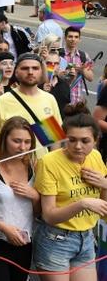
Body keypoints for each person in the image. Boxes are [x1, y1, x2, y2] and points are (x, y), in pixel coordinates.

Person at [33, 107, 107, 281]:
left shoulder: (95, 157)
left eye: (85, 141)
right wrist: (83, 203)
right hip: (56, 239)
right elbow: (49, 215)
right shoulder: (49, 162)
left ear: (96, 140)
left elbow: (103, 207)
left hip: (87, 237)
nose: (78, 146)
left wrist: (105, 184)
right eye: (72, 140)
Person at [0, 117, 39, 281]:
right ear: (4, 139)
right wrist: (3, 227)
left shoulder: (35, 167)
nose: (23, 147)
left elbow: (39, 213)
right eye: (17, 141)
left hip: (25, 243)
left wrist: (35, 197)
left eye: (27, 142)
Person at [0, 53, 62, 158]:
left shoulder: (49, 99)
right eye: (25, 68)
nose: (30, 72)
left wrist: (52, 165)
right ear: (16, 72)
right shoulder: (3, 101)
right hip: (11, 169)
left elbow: (54, 139)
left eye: (35, 68)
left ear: (41, 72)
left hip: (41, 168)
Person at [61, 26, 94, 106]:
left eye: (76, 37)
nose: (73, 39)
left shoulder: (84, 56)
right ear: (65, 38)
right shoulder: (59, 54)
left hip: (76, 100)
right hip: (60, 98)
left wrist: (82, 70)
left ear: (79, 39)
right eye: (70, 36)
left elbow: (91, 78)